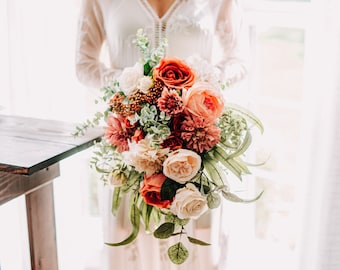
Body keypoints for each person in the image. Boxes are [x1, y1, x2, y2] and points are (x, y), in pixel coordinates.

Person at [75, 0, 247, 269]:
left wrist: (201, 84)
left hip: (197, 145)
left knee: (194, 240)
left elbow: (238, 60)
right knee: (129, 235)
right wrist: (139, 90)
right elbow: (84, 63)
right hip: (129, 146)